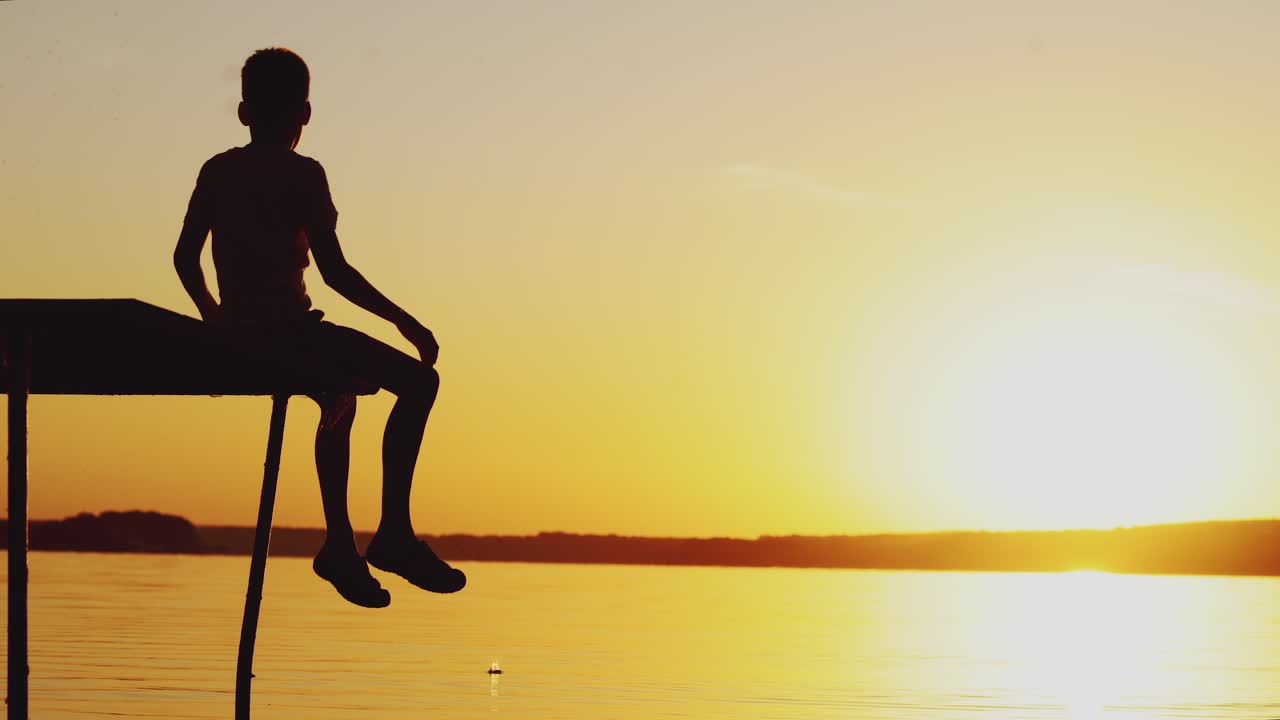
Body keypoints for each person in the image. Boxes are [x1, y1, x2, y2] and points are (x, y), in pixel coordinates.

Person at [173, 47, 465, 608]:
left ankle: (341, 546)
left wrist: (215, 319)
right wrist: (405, 321)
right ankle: (392, 534)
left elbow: (185, 258)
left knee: (339, 395)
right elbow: (335, 272)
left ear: (243, 112)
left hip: (247, 336)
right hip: (290, 333)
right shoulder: (304, 174)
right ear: (304, 114)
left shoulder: (217, 170)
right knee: (419, 382)